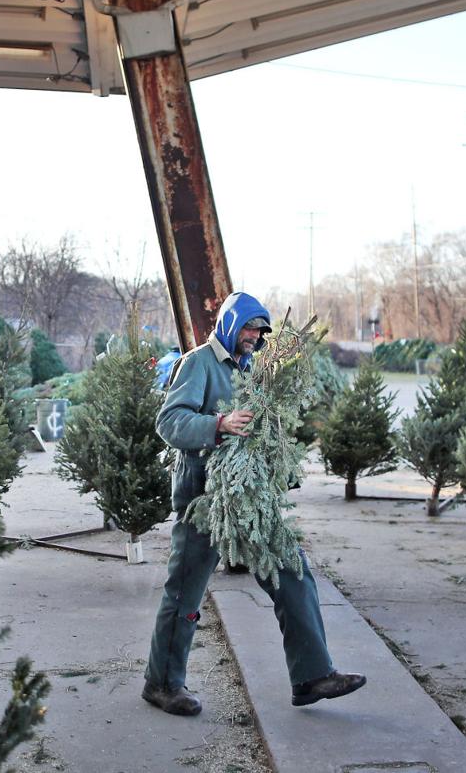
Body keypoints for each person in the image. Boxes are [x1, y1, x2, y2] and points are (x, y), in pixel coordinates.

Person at [141, 291, 365, 716]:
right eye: (248, 327)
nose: (254, 336)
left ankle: (312, 675)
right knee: (185, 591)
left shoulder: (253, 370)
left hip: (250, 502)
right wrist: (218, 424)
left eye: (260, 330)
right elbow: (169, 421)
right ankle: (163, 684)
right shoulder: (199, 364)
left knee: (292, 571)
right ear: (229, 324)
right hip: (204, 500)